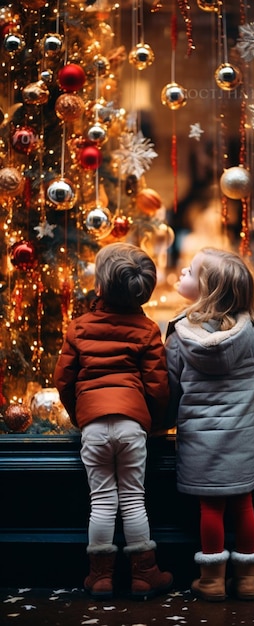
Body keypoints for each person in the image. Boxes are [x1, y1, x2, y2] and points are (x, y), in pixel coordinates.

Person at [165, 247, 254, 602]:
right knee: (243, 505)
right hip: (240, 445)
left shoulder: (178, 339)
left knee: (209, 508)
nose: (183, 271)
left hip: (197, 446)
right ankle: (247, 581)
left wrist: (159, 425)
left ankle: (212, 581)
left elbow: (168, 390)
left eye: (192, 271)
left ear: (207, 291)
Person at [54, 242, 173, 600]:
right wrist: (153, 422)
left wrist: (81, 414)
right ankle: (144, 575)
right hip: (132, 425)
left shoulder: (79, 328)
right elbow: (158, 385)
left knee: (102, 500)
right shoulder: (148, 329)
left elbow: (64, 380)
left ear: (100, 286)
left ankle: (101, 576)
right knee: (134, 498)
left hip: (93, 426)